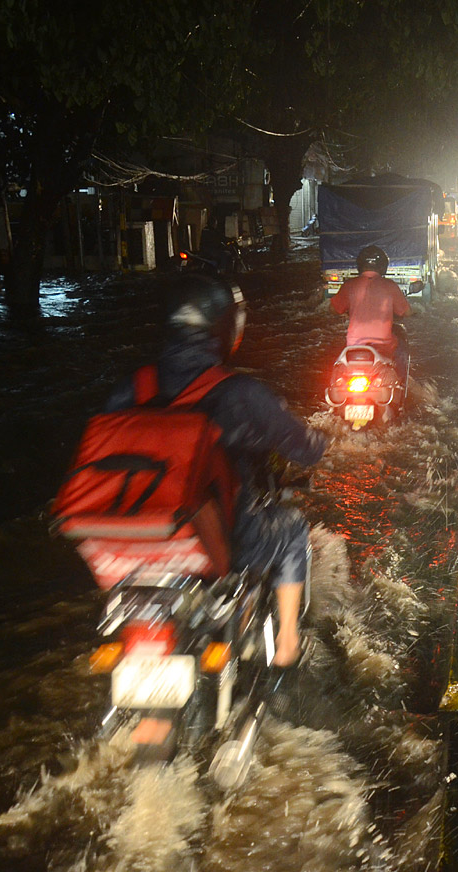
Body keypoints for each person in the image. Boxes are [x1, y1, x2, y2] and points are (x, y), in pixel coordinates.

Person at [103, 273, 328, 667]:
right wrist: (318, 441)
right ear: (226, 329)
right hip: (220, 536)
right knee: (292, 529)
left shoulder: (131, 387)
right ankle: (288, 645)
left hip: (137, 541)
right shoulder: (240, 391)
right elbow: (303, 449)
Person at [331, 244, 411, 381]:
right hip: (383, 347)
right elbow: (406, 312)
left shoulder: (349, 285)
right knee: (401, 345)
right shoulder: (390, 285)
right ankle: (401, 382)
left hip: (353, 347)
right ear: (383, 266)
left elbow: (333, 309)